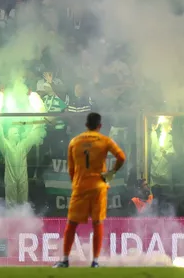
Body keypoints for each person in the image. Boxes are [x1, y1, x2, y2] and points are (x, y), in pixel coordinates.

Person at [54, 112, 126, 268]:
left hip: (80, 186)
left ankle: (65, 260)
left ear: (86, 125)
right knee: (97, 223)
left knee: (72, 223)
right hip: (98, 186)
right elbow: (121, 157)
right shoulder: (105, 140)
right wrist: (112, 172)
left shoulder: (75, 142)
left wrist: (77, 183)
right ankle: (95, 262)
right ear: (99, 126)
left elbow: (71, 169)